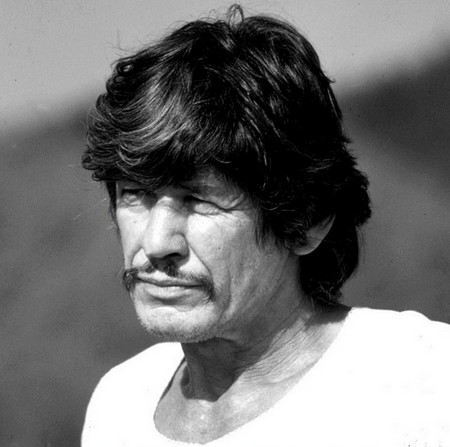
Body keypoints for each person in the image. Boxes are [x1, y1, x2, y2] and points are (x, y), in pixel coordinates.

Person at [81, 5, 450, 446]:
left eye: (199, 200)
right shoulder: (119, 403)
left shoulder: (423, 384)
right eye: (135, 194)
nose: (157, 243)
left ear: (307, 220)